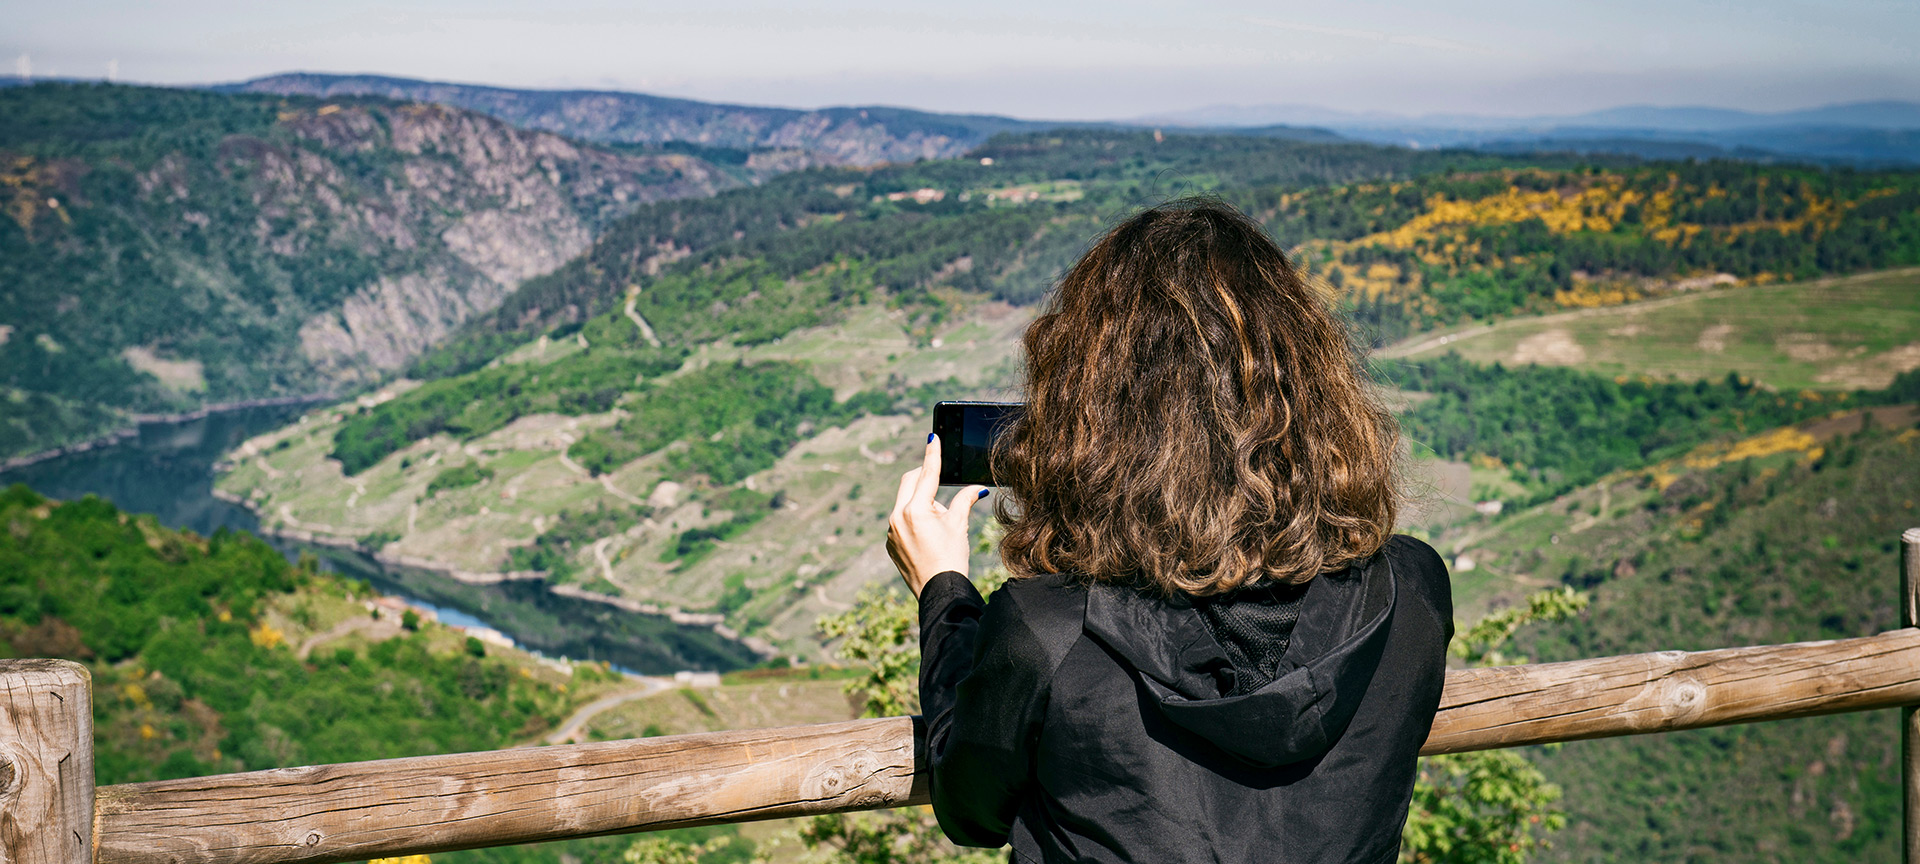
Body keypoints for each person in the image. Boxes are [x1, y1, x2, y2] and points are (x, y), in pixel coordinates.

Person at [885, 198, 1453, 864]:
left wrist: (944, 592)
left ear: (1090, 419)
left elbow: (971, 807)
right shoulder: (1411, 593)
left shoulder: (1050, 632)